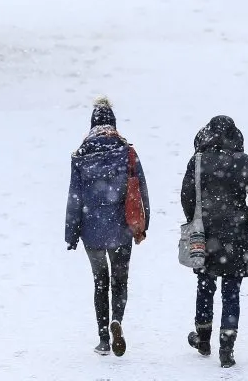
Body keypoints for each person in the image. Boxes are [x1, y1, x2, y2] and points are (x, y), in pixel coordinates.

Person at [65, 97, 150, 357]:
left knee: (100, 282)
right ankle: (117, 321)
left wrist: (71, 233)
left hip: (92, 232)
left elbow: (74, 198)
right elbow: (141, 191)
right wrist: (143, 225)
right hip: (121, 229)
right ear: (113, 124)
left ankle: (103, 338)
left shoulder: (80, 156)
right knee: (120, 280)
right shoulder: (126, 152)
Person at [181, 115, 248, 368]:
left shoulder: (197, 161)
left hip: (206, 233)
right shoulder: (244, 161)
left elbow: (186, 195)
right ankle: (227, 346)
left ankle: (203, 337)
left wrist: (194, 219)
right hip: (236, 234)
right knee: (232, 290)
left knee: (205, 284)